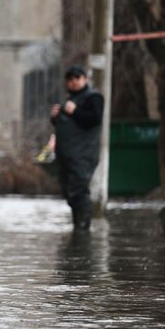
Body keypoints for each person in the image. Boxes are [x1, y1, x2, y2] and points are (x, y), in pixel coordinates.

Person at [50, 65, 104, 230]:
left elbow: (94, 119)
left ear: (84, 79)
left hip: (83, 155)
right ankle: (78, 226)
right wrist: (55, 117)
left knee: (79, 190)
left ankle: (83, 228)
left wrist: (75, 111)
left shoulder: (93, 98)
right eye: (70, 79)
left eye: (77, 78)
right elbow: (66, 126)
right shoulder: (68, 100)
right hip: (66, 155)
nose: (73, 82)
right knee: (69, 191)